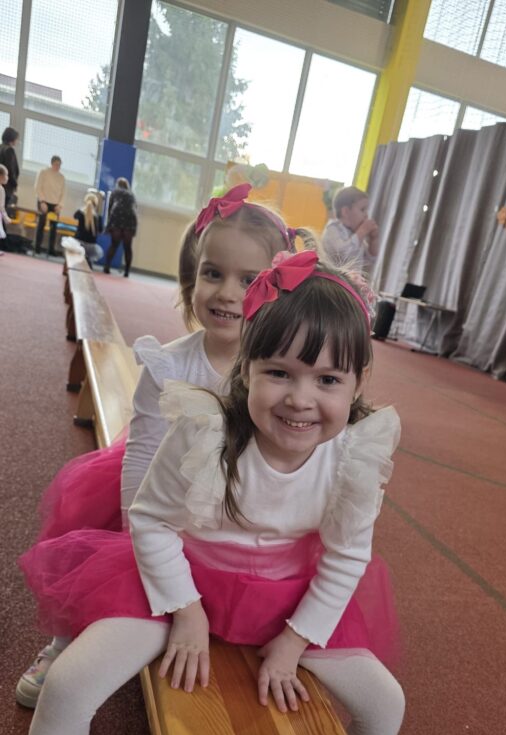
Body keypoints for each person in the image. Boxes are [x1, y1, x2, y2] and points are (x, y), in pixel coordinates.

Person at [0, 250, 403, 735]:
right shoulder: (207, 431)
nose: (300, 399)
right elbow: (151, 521)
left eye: (327, 379)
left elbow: (345, 557)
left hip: (284, 598)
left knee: (385, 706)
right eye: (279, 372)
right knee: (68, 686)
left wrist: (294, 642)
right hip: (182, 580)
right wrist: (184, 611)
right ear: (247, 369)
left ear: (356, 382)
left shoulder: (352, 457)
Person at [15, 182, 299, 708]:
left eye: (248, 280)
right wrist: (131, 536)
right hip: (155, 499)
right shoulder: (169, 363)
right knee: (97, 557)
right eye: (212, 273)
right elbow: (142, 454)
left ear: (278, 291)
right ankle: (64, 640)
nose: (226, 293)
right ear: (192, 277)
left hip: (231, 514)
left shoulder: (282, 373)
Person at [321, 185, 379, 278]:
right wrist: (362, 231)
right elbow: (343, 254)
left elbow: (369, 261)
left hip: (350, 282)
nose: (366, 215)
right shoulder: (332, 229)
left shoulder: (355, 234)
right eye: (362, 210)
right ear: (346, 212)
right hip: (333, 281)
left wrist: (373, 240)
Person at [103, 177, 138, 277]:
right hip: (130, 218)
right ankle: (127, 272)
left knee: (114, 244)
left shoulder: (115, 192)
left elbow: (110, 208)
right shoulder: (131, 194)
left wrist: (109, 224)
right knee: (127, 247)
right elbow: (135, 207)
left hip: (117, 216)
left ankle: (106, 267)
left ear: (118, 185)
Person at [34, 155, 66, 256]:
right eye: (56, 164)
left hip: (55, 204)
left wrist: (60, 205)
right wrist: (42, 201)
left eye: (59, 165)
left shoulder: (62, 177)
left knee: (54, 227)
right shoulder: (43, 172)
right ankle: (37, 247)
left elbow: (63, 193)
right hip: (43, 201)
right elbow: (38, 187)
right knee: (41, 224)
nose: (58, 167)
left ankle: (51, 249)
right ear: (52, 163)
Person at [73, 192, 103, 267]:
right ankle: (89, 261)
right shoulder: (98, 217)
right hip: (91, 247)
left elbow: (74, 216)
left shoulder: (80, 213)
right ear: (96, 204)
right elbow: (100, 231)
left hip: (79, 244)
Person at [0, 127, 19, 216]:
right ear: (12, 138)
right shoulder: (9, 150)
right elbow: (10, 170)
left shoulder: (1, 147)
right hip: (6, 186)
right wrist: (15, 184)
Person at [0, 164, 12, 255]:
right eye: (6, 175)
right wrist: (6, 217)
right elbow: (1, 206)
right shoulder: (1, 189)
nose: (7, 178)